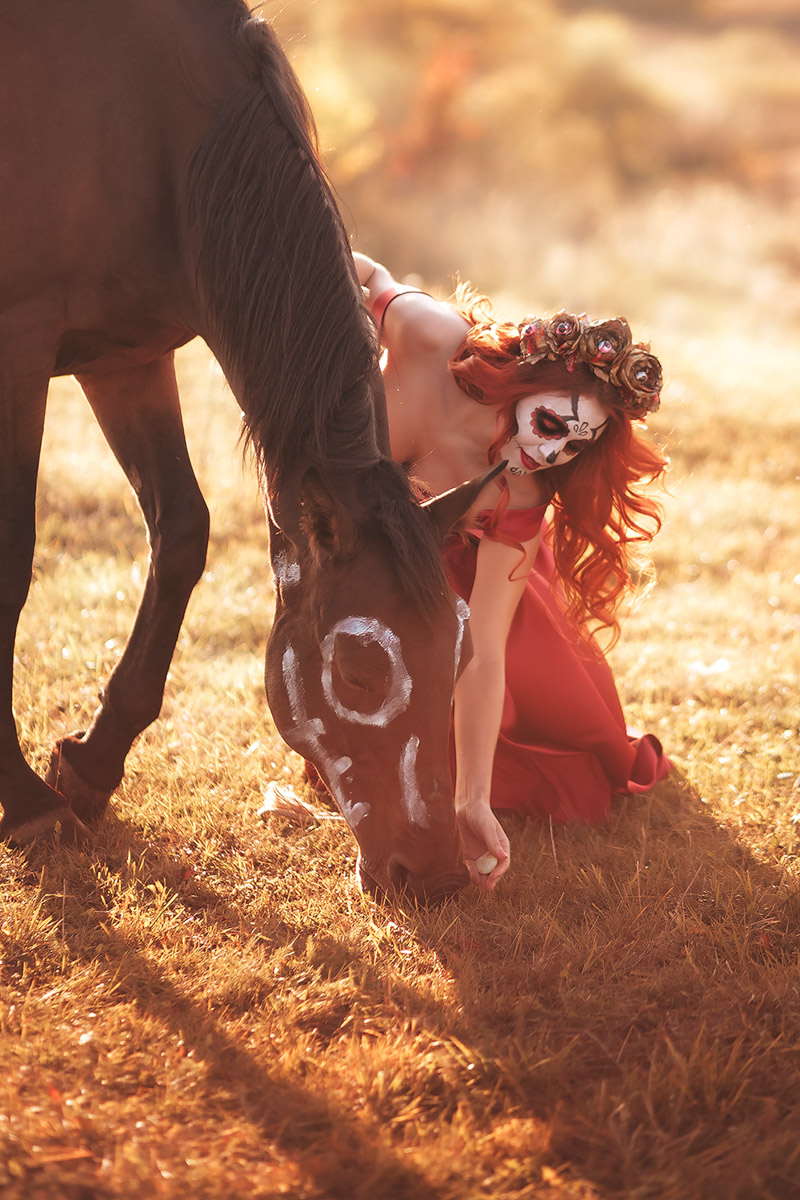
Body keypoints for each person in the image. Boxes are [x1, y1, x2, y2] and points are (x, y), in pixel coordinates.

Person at [351, 251, 670, 892]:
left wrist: (472, 800)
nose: (551, 451)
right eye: (552, 424)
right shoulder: (428, 336)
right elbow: (350, 268)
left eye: (573, 446)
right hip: (360, 551)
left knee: (556, 725)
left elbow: (485, 653)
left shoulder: (523, 492)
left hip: (456, 578)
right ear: (526, 383)